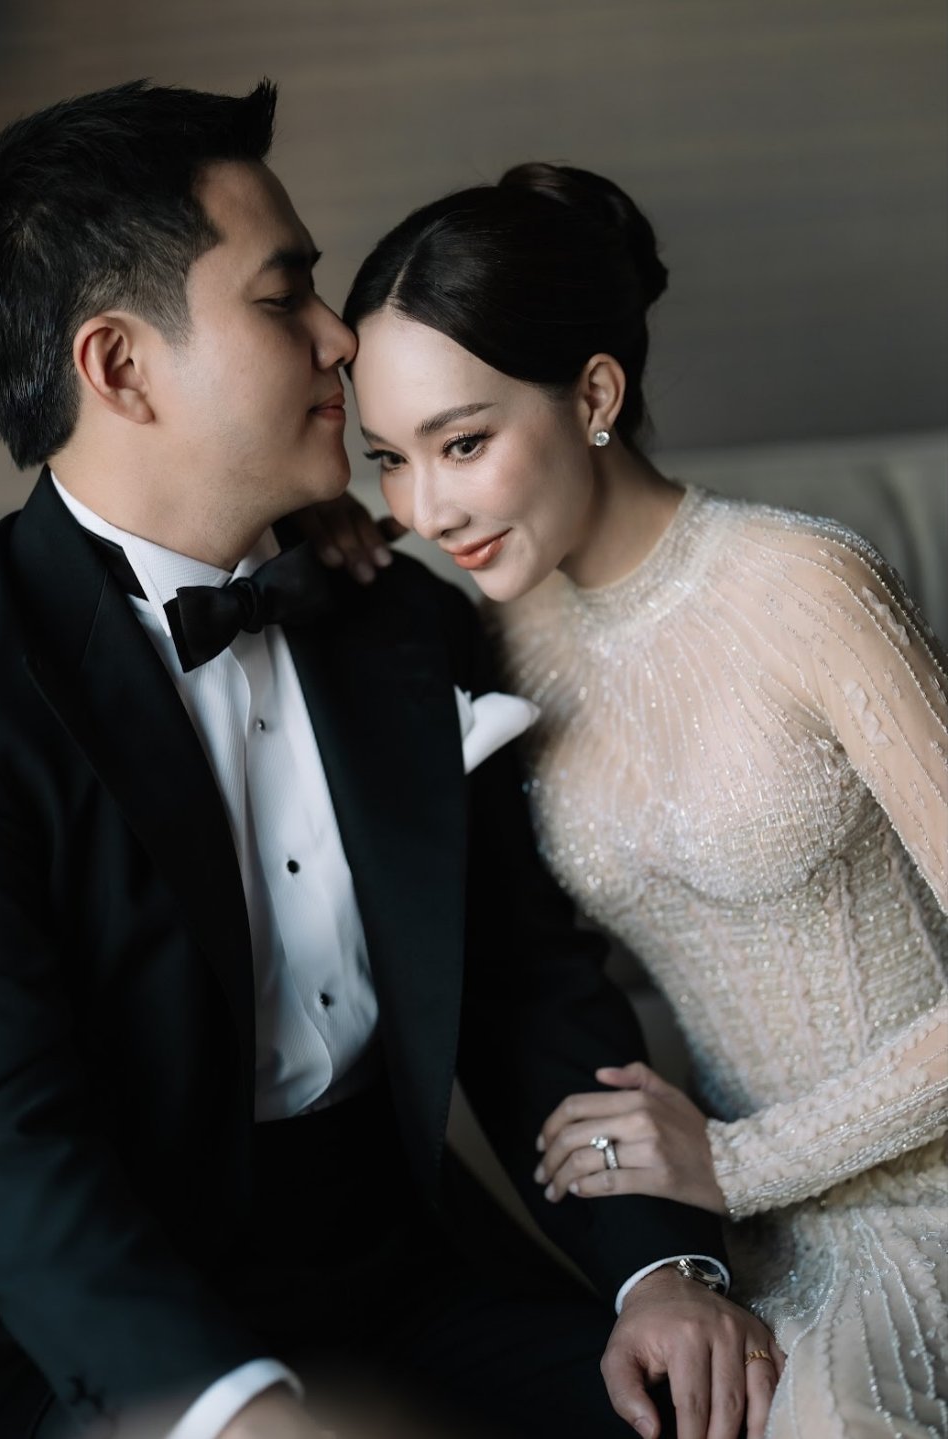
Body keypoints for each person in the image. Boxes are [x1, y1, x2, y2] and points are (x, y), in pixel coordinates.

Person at [0, 85, 781, 1439]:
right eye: (282, 293)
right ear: (119, 366)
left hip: (404, 1281)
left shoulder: (397, 615)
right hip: (101, 1355)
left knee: (730, 1414)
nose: (341, 334)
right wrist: (233, 1408)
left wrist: (664, 1271)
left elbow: (527, 985)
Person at [330, 162, 948, 1438]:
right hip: (736, 1235)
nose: (426, 508)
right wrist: (308, 533)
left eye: (463, 442)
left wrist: (737, 1161)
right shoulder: (494, 637)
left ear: (597, 395)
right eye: (387, 458)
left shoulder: (810, 585)